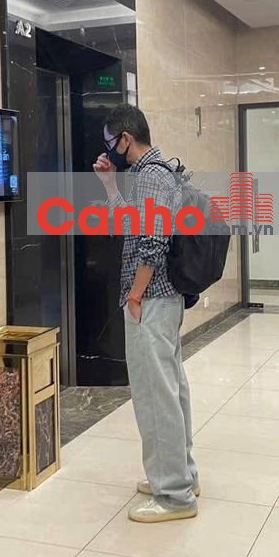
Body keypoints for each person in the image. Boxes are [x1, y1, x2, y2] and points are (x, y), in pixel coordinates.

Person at [93, 103, 199, 523]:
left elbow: (152, 244)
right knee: (170, 389)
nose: (109, 150)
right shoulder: (152, 173)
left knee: (156, 395)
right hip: (160, 300)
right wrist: (109, 185)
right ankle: (181, 475)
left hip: (151, 300)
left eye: (111, 142)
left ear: (126, 139)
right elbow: (125, 226)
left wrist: (135, 295)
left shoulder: (152, 176)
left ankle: (173, 495)